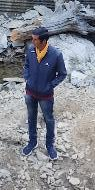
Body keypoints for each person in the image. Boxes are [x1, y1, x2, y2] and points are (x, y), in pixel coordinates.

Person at [22, 27, 67, 160]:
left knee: (49, 119)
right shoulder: (31, 50)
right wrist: (27, 78)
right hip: (30, 92)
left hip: (46, 96)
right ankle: (32, 142)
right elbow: (27, 65)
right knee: (31, 117)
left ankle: (50, 145)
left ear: (43, 41)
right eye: (32, 39)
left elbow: (62, 74)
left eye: (35, 39)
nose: (32, 41)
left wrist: (50, 86)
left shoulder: (56, 55)